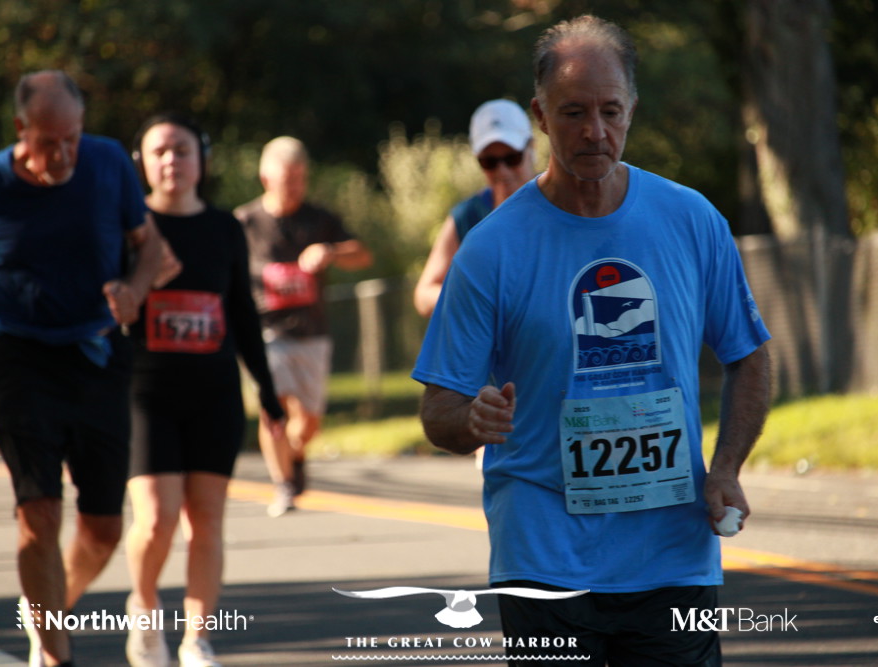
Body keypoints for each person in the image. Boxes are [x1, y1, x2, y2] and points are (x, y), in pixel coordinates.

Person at [412, 15, 772, 667]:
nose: (595, 131)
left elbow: (748, 356)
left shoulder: (691, 221)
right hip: (544, 556)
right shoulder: (491, 249)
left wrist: (725, 469)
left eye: (610, 111)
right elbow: (439, 408)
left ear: (632, 108)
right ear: (540, 116)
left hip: (672, 553)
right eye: (574, 112)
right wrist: (469, 419)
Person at [0, 70, 168, 667]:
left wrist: (135, 289)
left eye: (71, 140)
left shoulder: (108, 163)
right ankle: (56, 654)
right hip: (16, 357)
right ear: (20, 128)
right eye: (47, 141)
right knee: (40, 511)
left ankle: (46, 611)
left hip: (97, 354)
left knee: (103, 529)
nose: (61, 155)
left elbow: (150, 246)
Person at [123, 114, 286, 667]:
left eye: (183, 149)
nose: (172, 160)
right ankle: (144, 608)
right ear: (141, 162)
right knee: (156, 518)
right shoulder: (130, 227)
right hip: (146, 393)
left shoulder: (224, 229)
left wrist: (267, 391)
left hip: (214, 395)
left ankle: (197, 639)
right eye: (160, 150)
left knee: (207, 521)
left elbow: (242, 313)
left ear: (202, 159)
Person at [234, 137, 372, 517]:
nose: (294, 186)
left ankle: (295, 454)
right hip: (265, 333)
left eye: (300, 178)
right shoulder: (244, 222)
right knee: (273, 408)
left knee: (309, 422)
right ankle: (283, 485)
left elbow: (362, 254)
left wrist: (331, 251)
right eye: (287, 179)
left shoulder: (319, 219)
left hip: (312, 333)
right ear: (266, 178)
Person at [413, 99, 536, 317]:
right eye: (489, 162)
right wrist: (472, 300)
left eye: (512, 158)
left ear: (531, 147)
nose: (502, 171)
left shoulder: (561, 204)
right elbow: (424, 294)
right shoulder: (468, 215)